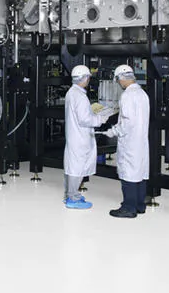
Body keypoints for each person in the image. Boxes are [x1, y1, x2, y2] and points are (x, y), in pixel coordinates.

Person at [100, 65, 150, 218]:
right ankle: (139, 205)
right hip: (141, 141)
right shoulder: (142, 94)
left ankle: (128, 208)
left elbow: (127, 122)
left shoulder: (127, 96)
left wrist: (113, 131)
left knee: (128, 173)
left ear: (121, 78)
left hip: (129, 142)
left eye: (118, 80)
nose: (118, 83)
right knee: (140, 172)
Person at [64, 65, 115, 209]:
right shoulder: (80, 96)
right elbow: (84, 119)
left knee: (74, 166)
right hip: (80, 137)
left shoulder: (72, 92)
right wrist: (101, 118)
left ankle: (71, 194)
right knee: (76, 168)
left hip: (75, 135)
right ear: (85, 78)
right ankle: (72, 198)